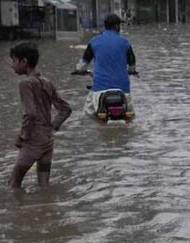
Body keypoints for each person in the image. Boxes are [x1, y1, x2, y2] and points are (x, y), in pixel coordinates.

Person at [9, 42, 72, 189]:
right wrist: (53, 126)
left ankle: (20, 210)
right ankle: (45, 208)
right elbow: (65, 109)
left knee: (13, 183)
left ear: (24, 62)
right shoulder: (47, 82)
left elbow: (30, 113)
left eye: (13, 60)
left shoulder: (25, 83)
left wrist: (22, 136)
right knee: (44, 185)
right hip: (48, 139)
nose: (12, 65)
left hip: (33, 140)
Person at [75, 13, 137, 115]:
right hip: (123, 89)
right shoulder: (125, 42)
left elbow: (83, 63)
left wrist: (79, 70)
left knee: (87, 113)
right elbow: (132, 63)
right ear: (117, 26)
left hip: (99, 89)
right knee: (130, 115)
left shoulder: (94, 41)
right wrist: (131, 71)